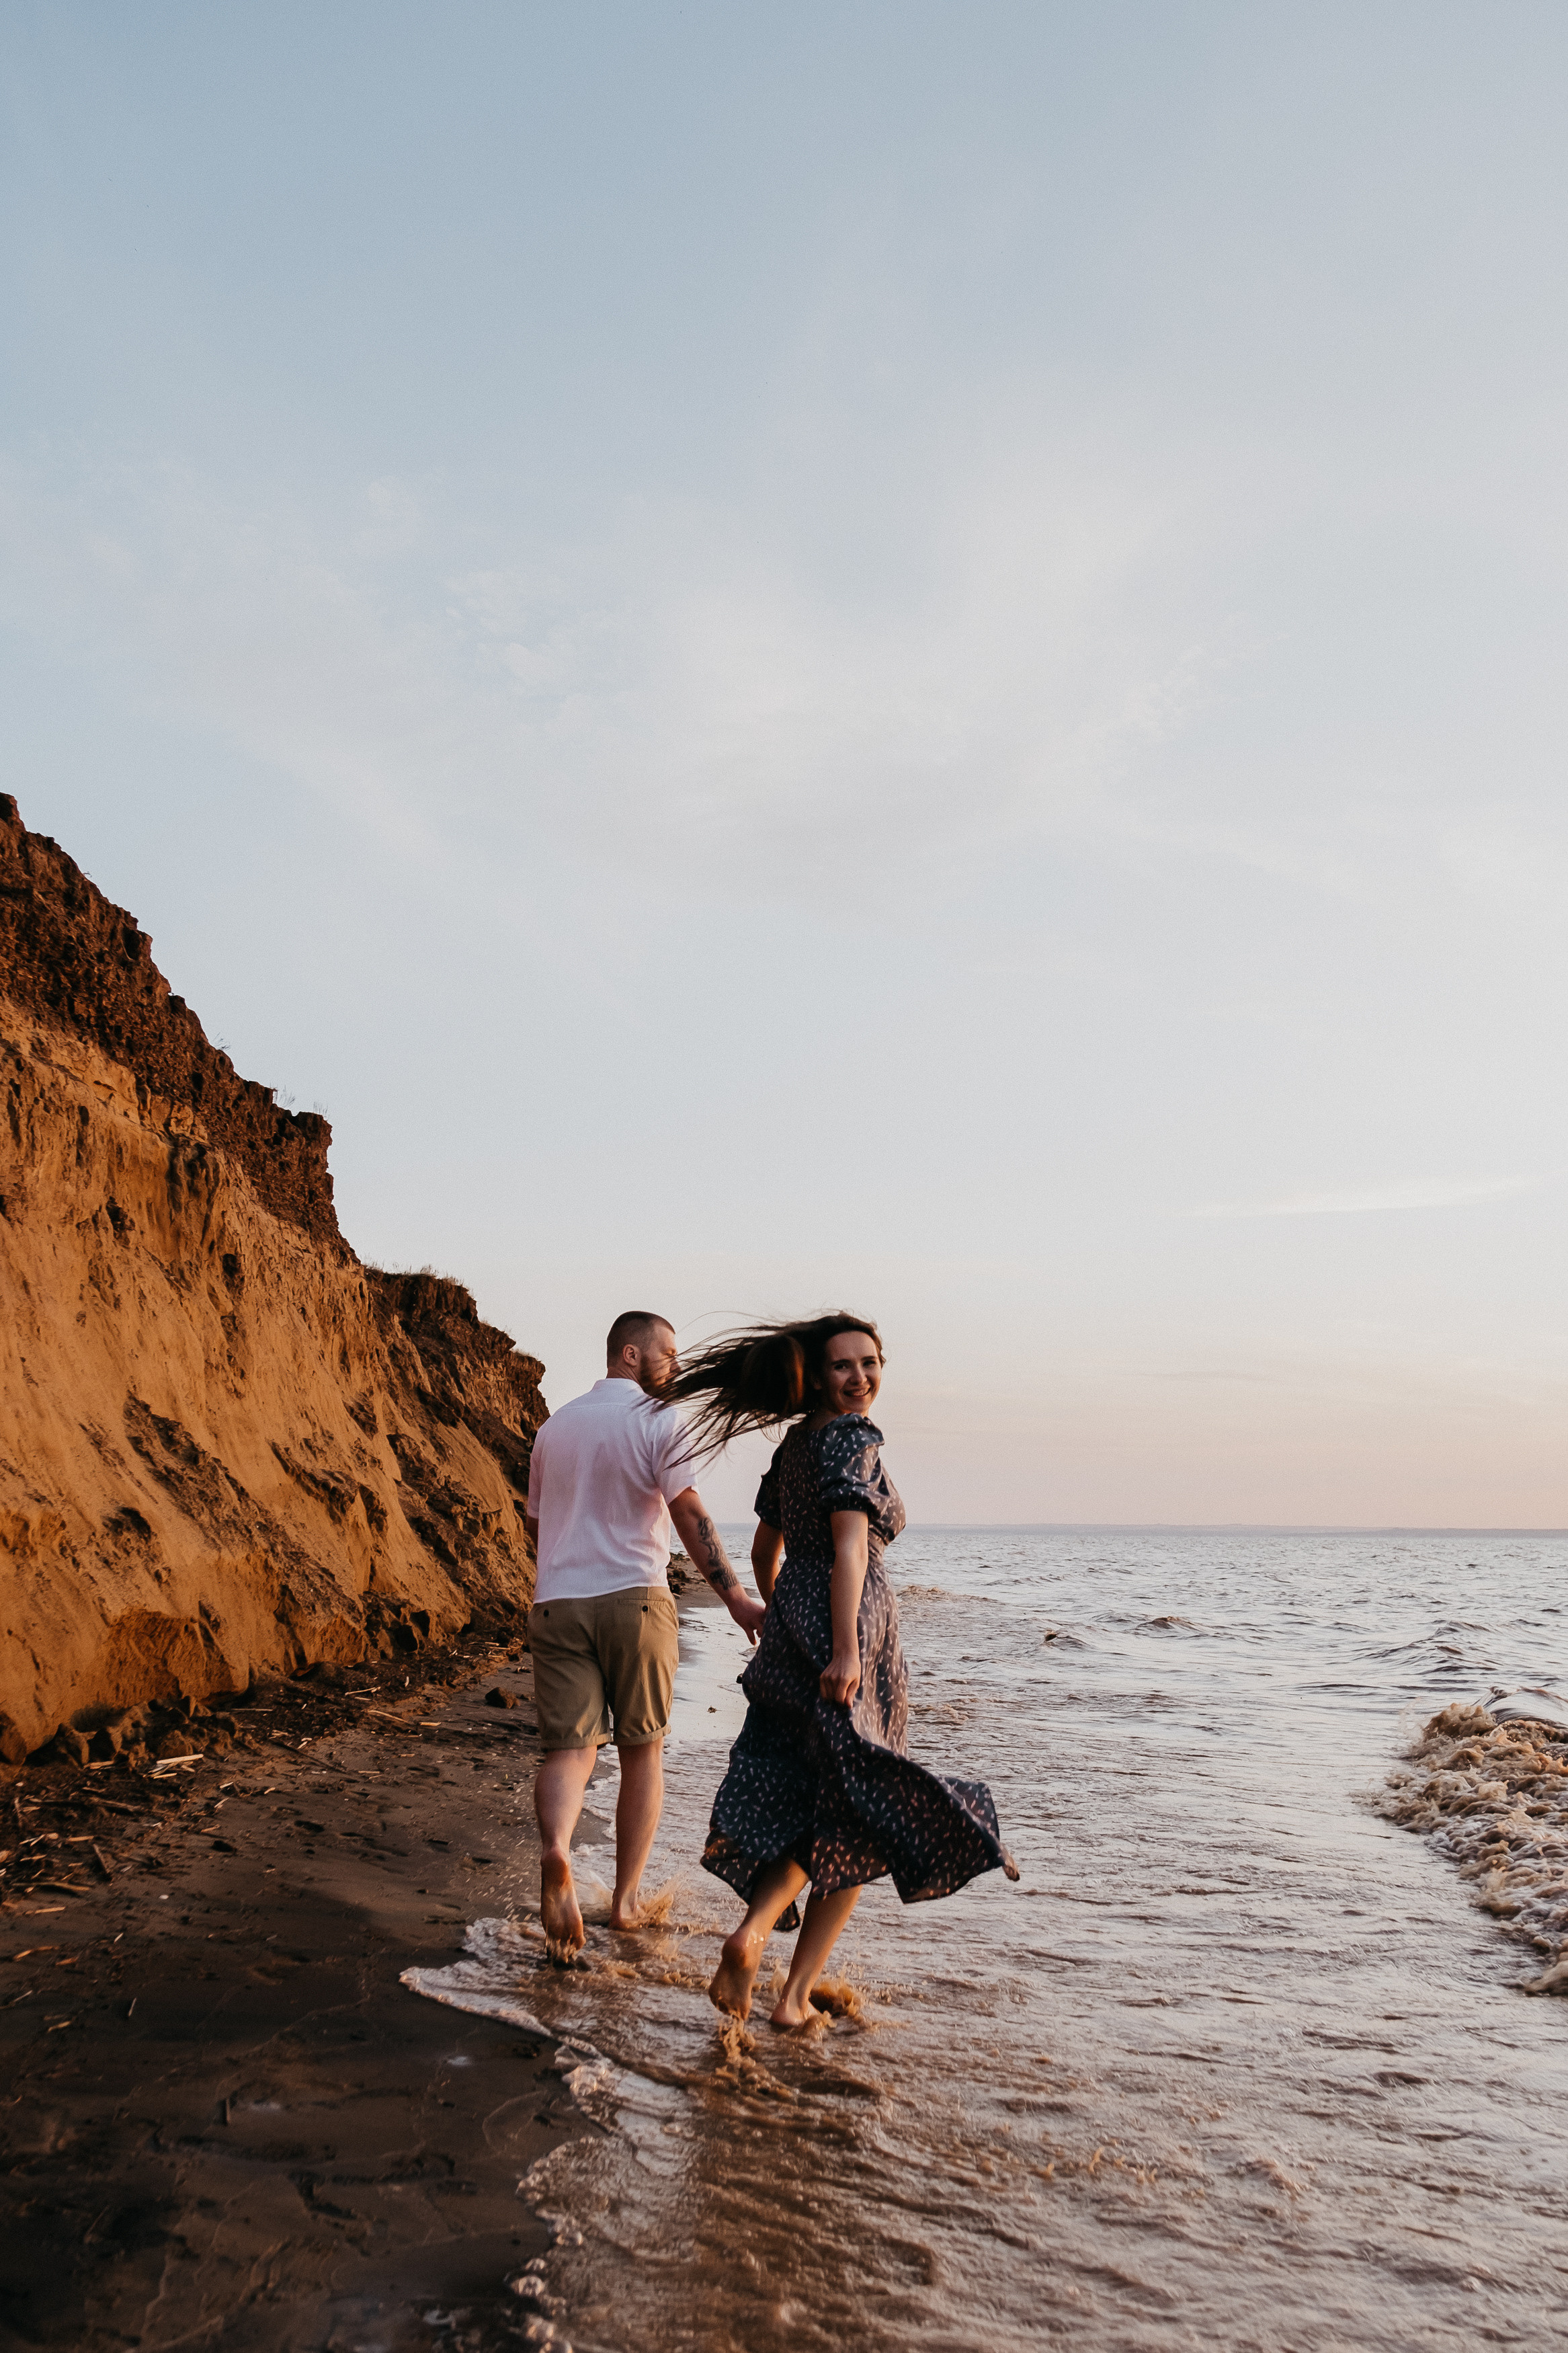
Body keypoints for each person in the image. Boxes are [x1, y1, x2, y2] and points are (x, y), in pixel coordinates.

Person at [668, 1312, 1018, 2031]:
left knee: (805, 1794)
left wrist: (770, 1613)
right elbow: (851, 1548)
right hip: (847, 1627)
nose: (859, 1377)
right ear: (814, 1376)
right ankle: (781, 1977)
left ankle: (759, 1937)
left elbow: (766, 1543)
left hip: (795, 1623)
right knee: (855, 1808)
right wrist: (848, 1648)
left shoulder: (796, 1445)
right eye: (842, 1366)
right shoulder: (853, 1439)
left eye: (870, 1362)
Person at [524, 1310, 767, 1962]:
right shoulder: (660, 1420)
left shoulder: (553, 1428)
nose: (677, 1368)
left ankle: (555, 1849)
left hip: (557, 1601)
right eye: (669, 1355)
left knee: (568, 1752)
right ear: (630, 1353)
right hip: (634, 1597)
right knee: (641, 1751)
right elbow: (687, 1510)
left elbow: (538, 1523)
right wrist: (736, 1597)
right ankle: (626, 1902)